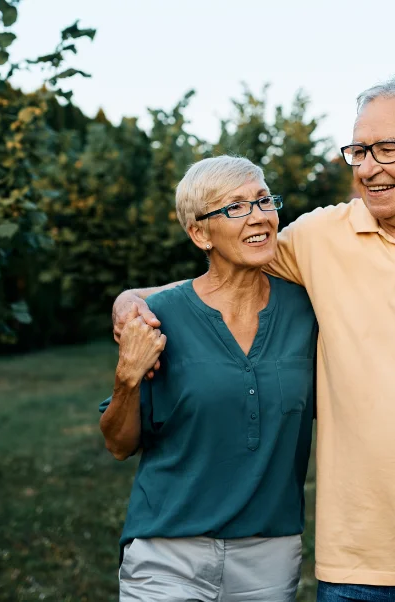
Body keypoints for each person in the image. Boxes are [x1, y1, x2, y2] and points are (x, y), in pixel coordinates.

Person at [112, 77, 395, 601]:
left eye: (388, 149)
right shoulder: (319, 238)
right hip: (360, 563)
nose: (368, 167)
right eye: (359, 150)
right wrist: (131, 297)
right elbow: (226, 270)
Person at [99, 155, 318, 602]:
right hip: (168, 549)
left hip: (270, 553)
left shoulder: (308, 310)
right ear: (200, 233)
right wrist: (127, 380)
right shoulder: (161, 318)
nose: (258, 216)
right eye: (235, 207)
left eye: (262, 200)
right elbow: (119, 445)